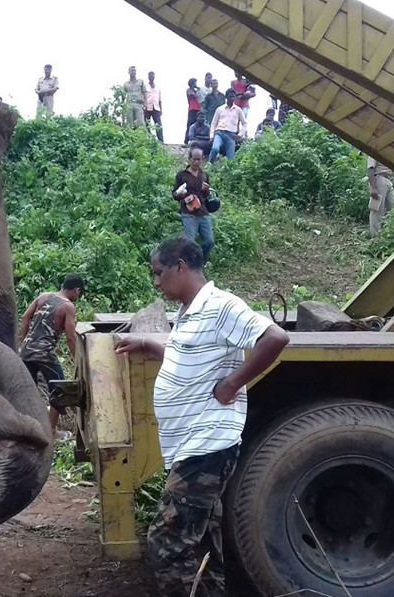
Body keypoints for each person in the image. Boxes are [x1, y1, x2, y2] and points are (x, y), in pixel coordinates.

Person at [115, 237, 289, 597]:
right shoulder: (188, 310)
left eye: (159, 273)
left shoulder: (221, 305)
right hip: (189, 445)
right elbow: (187, 356)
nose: (156, 282)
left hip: (207, 445)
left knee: (166, 542)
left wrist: (232, 383)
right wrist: (149, 344)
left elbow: (275, 337)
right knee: (202, 545)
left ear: (180, 266)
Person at [19, 274, 84, 438]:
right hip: (45, 353)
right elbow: (70, 337)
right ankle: (52, 432)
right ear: (77, 290)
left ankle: (26, 431)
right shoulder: (68, 307)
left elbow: (25, 317)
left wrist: (23, 343)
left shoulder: (43, 296)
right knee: (60, 391)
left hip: (26, 351)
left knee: (27, 392)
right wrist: (78, 360)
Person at [173, 148, 216, 264]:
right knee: (189, 242)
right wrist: (179, 194)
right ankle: (188, 265)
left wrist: (206, 190)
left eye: (199, 159)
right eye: (194, 159)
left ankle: (200, 262)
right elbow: (174, 194)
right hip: (188, 212)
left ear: (202, 159)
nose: (196, 162)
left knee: (209, 241)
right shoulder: (181, 175)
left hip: (203, 211)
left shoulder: (204, 175)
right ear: (189, 159)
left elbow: (207, 196)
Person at [208, 90, 246, 164]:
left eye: (233, 96)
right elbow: (213, 123)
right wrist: (211, 136)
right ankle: (210, 164)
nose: (232, 98)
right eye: (230, 96)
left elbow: (244, 124)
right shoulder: (219, 109)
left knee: (230, 158)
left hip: (231, 135)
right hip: (220, 133)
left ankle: (227, 173)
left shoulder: (238, 110)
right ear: (226, 97)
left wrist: (239, 135)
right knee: (215, 148)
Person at [367, 157, 394, 237]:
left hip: (388, 180)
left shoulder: (383, 153)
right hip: (379, 180)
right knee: (377, 210)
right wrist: (373, 188)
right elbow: (370, 170)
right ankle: (375, 237)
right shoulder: (372, 153)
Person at [144, 71, 163, 142]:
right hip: (147, 108)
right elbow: (143, 97)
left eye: (152, 76)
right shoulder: (145, 86)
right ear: (148, 77)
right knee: (147, 125)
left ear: (154, 77)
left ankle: (161, 140)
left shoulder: (158, 87)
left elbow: (160, 99)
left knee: (158, 125)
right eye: (150, 76)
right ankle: (149, 139)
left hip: (156, 108)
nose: (151, 77)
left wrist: (161, 109)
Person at [184, 78, 203, 144]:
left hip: (197, 109)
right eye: (195, 83)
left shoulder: (195, 91)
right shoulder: (189, 90)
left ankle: (195, 140)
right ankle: (186, 140)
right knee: (190, 125)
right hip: (192, 110)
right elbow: (192, 95)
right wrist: (197, 90)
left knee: (197, 125)